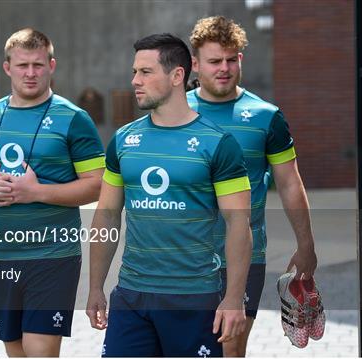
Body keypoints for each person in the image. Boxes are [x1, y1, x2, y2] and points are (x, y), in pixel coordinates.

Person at [86, 33, 253, 357]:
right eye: (135, 72)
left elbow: (237, 221)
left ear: (177, 75)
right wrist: (95, 287)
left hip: (194, 297)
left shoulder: (218, 143)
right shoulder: (123, 140)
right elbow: (106, 213)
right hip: (132, 296)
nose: (135, 80)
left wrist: (234, 297)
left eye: (146, 72)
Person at [0, 28, 105, 357]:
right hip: (1, 255)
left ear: (51, 65)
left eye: (38, 65)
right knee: (15, 349)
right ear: (7, 67)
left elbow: (97, 184)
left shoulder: (73, 118)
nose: (30, 73)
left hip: (53, 256)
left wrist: (36, 192)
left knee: (39, 350)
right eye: (22, 65)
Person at [187, 16, 318, 357]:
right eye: (215, 61)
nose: (225, 68)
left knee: (229, 349)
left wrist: (306, 245)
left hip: (244, 256)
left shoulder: (266, 116)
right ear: (195, 63)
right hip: (182, 256)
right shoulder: (174, 113)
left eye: (232, 59)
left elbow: (289, 182)